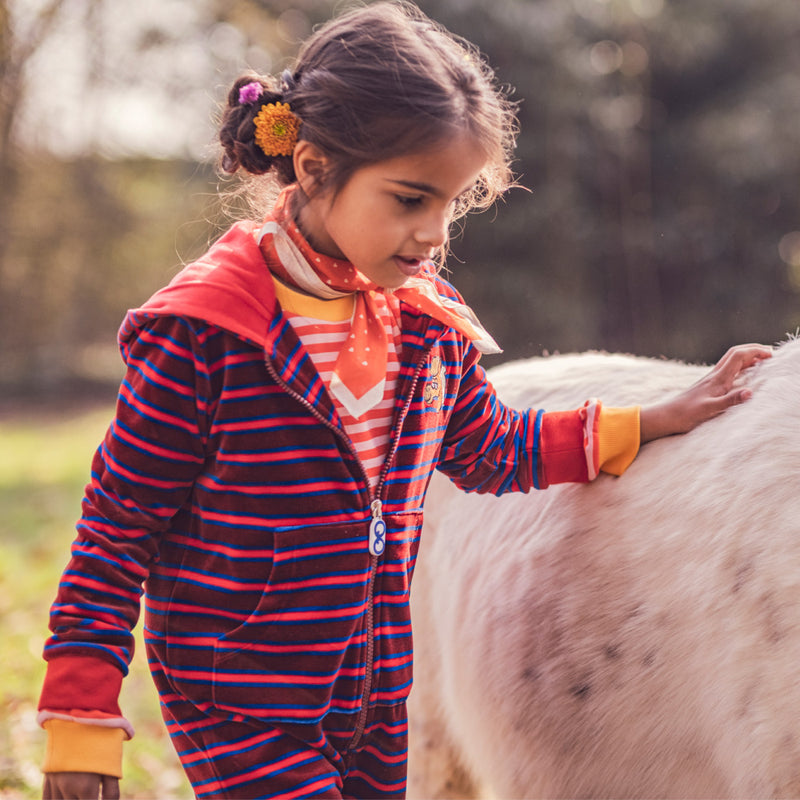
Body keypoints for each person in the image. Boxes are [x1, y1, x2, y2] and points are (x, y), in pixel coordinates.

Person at [37, 2, 771, 799]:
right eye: (411, 199)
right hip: (240, 695)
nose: (434, 234)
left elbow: (495, 451)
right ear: (314, 167)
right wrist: (81, 722)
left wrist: (652, 419)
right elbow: (115, 531)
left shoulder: (426, 326)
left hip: (377, 692)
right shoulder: (203, 335)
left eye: (452, 204)